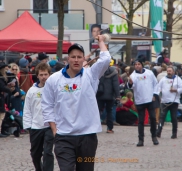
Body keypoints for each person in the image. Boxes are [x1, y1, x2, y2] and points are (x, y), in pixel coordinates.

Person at [41, 36, 111, 171]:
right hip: (64, 138)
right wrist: (54, 130)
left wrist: (101, 41)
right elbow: (47, 105)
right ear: (68, 58)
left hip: (87, 137)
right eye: (73, 57)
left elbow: (106, 59)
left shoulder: (91, 75)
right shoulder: (54, 80)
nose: (76, 60)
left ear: (84, 58)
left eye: (79, 57)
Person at [23, 63, 54, 171]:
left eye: (46, 74)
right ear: (37, 76)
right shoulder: (32, 91)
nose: (44, 77)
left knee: (48, 151)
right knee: (35, 154)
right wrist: (28, 126)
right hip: (36, 126)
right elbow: (27, 109)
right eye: (41, 75)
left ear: (49, 75)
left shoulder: (54, 89)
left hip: (50, 126)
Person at [128, 59, 159, 147]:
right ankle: (141, 139)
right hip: (140, 100)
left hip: (150, 99)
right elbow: (130, 86)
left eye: (138, 64)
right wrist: (130, 83)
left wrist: (155, 94)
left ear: (141, 65)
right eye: (135, 64)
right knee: (141, 121)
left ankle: (154, 136)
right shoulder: (133, 75)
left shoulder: (149, 73)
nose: (137, 66)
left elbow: (155, 84)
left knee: (153, 118)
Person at [156, 66, 182, 139]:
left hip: (174, 101)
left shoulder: (178, 79)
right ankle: (158, 132)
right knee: (162, 117)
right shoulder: (163, 79)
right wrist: (159, 94)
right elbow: (158, 88)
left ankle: (174, 133)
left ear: (173, 72)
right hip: (164, 101)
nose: (169, 72)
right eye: (168, 71)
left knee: (173, 118)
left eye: (170, 71)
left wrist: (175, 90)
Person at [96, 63, 120, 133]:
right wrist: (117, 96)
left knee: (98, 111)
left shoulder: (99, 71)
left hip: (100, 94)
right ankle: (109, 128)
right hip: (110, 95)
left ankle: (96, 127)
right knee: (109, 111)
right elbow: (116, 85)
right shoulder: (114, 72)